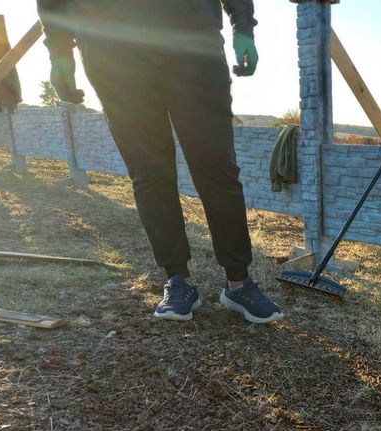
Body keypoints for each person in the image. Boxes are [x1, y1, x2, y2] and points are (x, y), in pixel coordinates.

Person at [36, 0, 283, 323]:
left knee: (217, 166)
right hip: (112, 49)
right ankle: (178, 280)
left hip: (193, 41)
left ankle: (238, 282)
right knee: (149, 171)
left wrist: (243, 25)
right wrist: (59, 51)